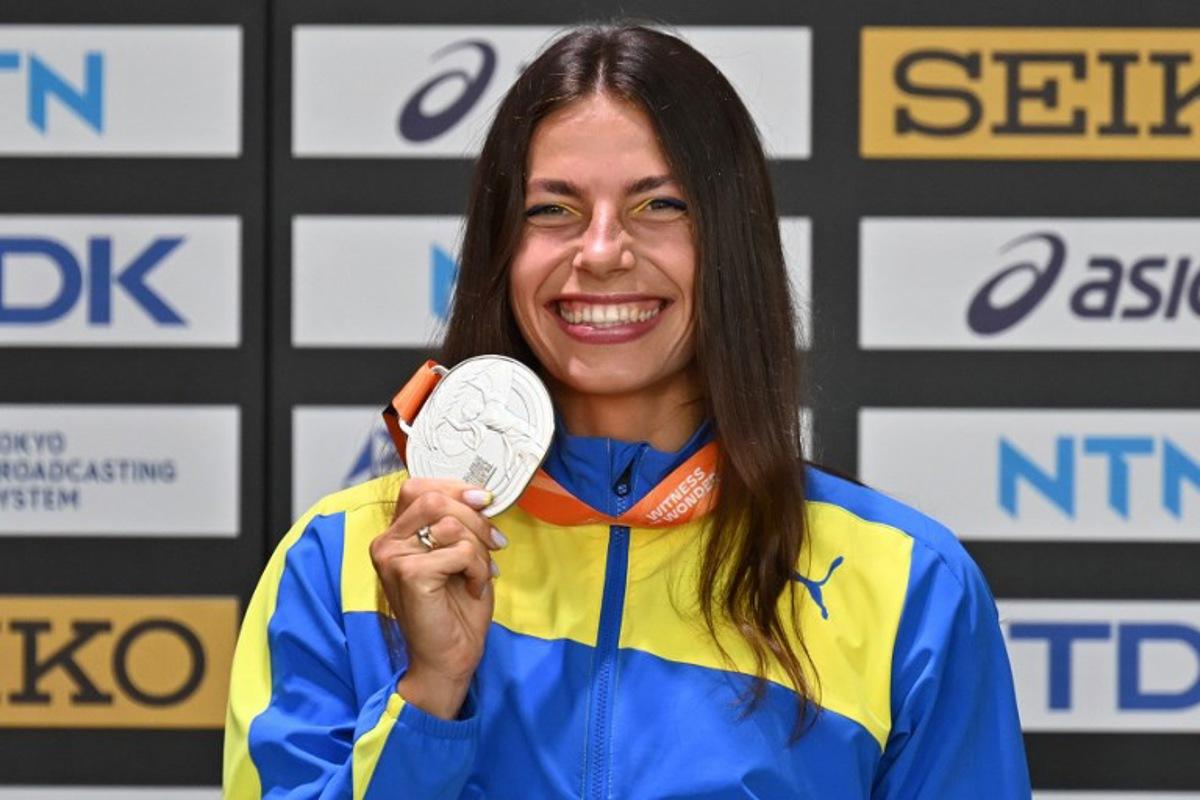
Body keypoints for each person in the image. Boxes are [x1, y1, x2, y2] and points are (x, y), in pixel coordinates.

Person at [223, 24, 1032, 799]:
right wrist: (429, 695)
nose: (602, 251)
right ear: (501, 249)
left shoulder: (909, 585)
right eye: (553, 210)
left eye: (660, 206)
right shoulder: (340, 562)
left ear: (731, 243)